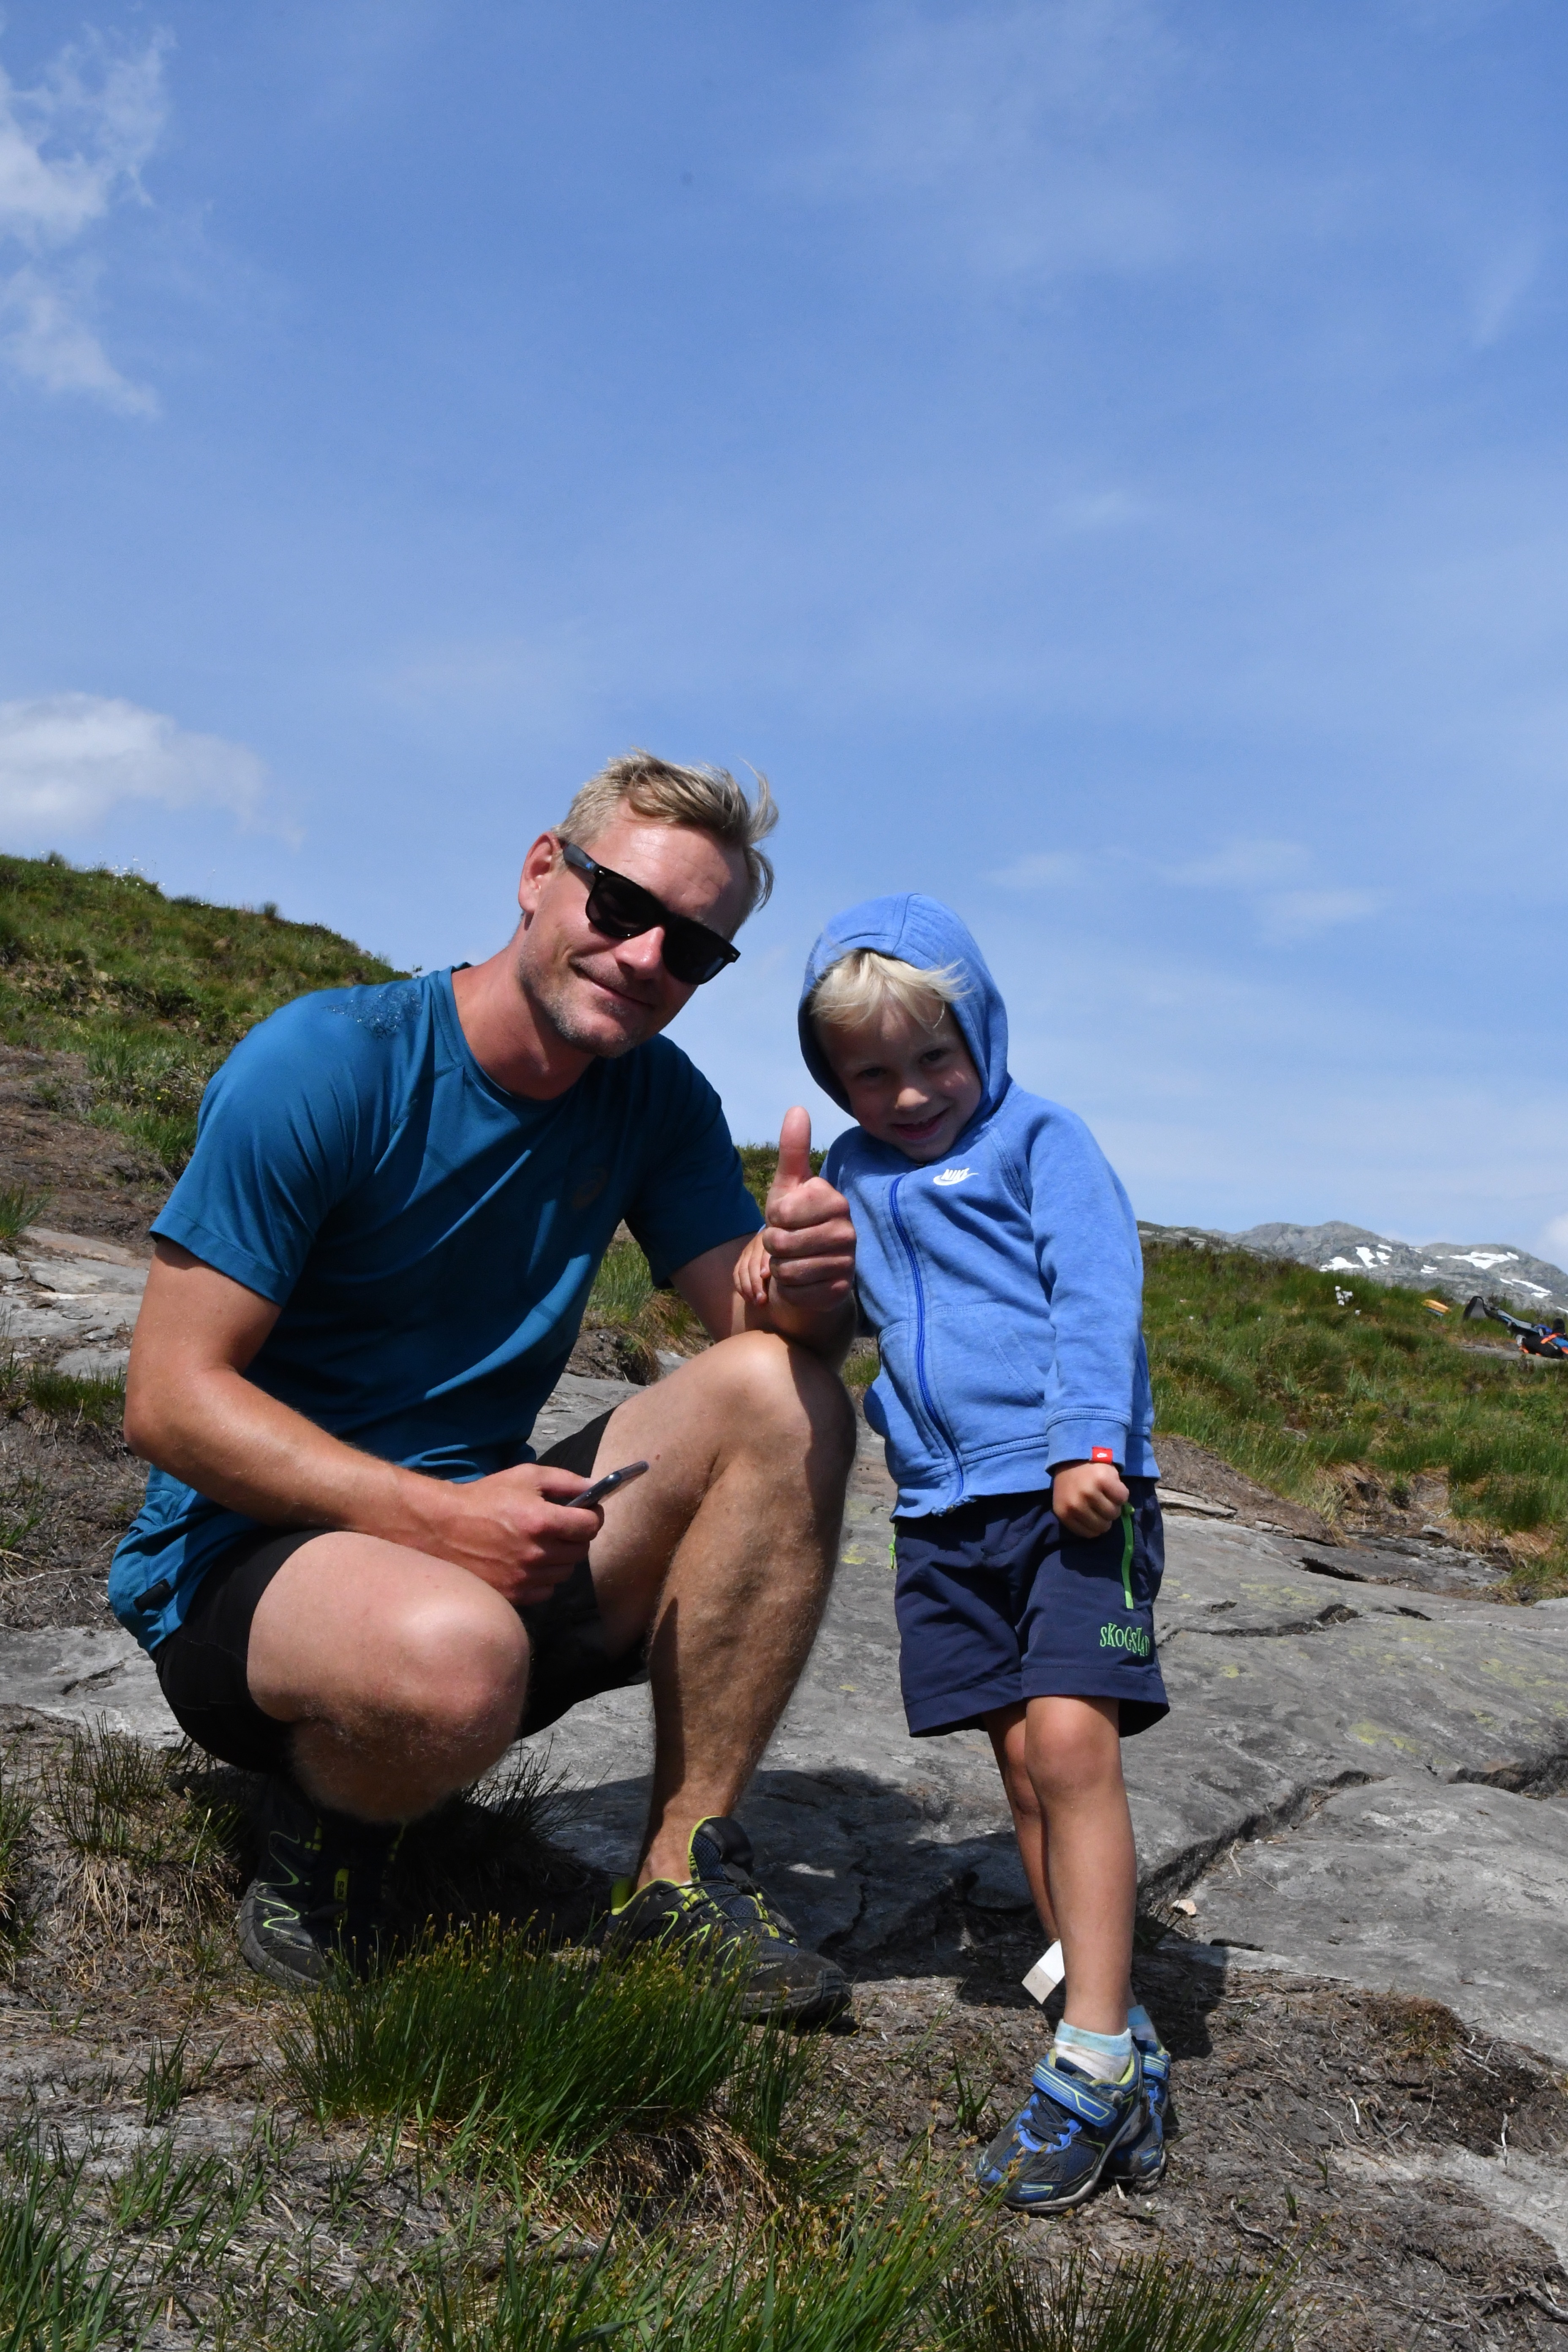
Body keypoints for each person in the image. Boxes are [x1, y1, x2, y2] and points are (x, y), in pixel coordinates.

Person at [111, 751, 859, 2024]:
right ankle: (330, 1832)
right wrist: (438, 1519)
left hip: (478, 1550)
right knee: (456, 1659)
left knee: (787, 1395)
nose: (644, 958)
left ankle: (680, 1883)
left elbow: (764, 1333)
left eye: (691, 949)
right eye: (622, 906)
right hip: (248, 1570)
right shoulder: (327, 1064)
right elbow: (169, 1400)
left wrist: (804, 1283)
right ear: (540, 872)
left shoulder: (655, 1099)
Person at [762, 893, 1172, 2207]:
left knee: (1073, 1746)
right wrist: (784, 1275)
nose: (908, 1094)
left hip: (1070, 1492)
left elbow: (1097, 1290)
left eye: (933, 1057)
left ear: (982, 1031)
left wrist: (1089, 1443)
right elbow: (828, 1317)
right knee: (1026, 1772)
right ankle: (1111, 2019)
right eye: (868, 1073)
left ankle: (1090, 2059)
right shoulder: (849, 1173)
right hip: (943, 1510)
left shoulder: (1043, 1139)